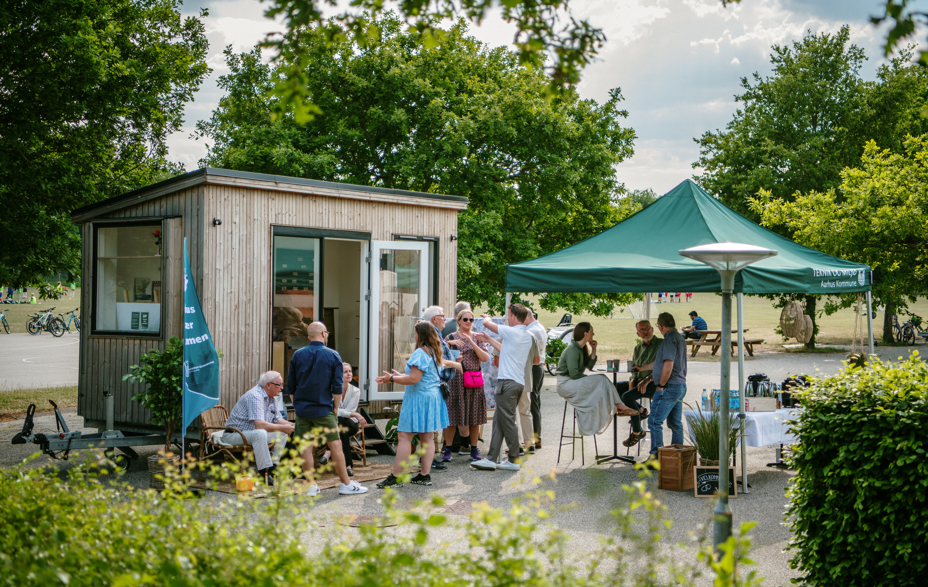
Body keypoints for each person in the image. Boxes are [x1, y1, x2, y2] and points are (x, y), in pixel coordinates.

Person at [287, 321, 369, 496]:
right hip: (324, 409)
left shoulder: (297, 355)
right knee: (336, 445)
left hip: (302, 410)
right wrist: (336, 408)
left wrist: (297, 405)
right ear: (324, 334)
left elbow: (291, 386)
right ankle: (345, 484)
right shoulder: (333, 355)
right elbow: (336, 386)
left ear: (309, 337)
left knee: (306, 447)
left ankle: (311, 486)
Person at [376, 321, 459, 488]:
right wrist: (399, 375)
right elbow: (420, 376)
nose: (413, 336)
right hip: (431, 397)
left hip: (419, 399)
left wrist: (391, 379)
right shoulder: (433, 353)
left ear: (419, 335)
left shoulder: (420, 353)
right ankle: (424, 475)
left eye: (414, 333)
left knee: (405, 437)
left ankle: (396, 477)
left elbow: (414, 379)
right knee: (427, 438)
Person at [470, 303, 534, 472]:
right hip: (516, 382)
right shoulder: (526, 335)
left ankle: (513, 459)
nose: (506, 318)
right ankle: (491, 459)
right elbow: (505, 350)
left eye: (508, 315)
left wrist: (487, 318)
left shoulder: (512, 331)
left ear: (514, 316)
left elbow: (487, 324)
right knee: (499, 421)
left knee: (508, 422)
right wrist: (489, 340)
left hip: (507, 383)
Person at [554, 322, 638, 437]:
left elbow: (589, 366)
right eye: (591, 331)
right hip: (566, 384)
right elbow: (574, 375)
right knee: (601, 379)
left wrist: (593, 350)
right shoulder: (572, 350)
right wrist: (586, 378)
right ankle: (620, 406)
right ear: (585, 334)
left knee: (601, 380)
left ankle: (620, 407)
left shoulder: (581, 348)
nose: (593, 334)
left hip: (573, 382)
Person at [222, 371, 295, 484]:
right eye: (279, 385)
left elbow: (278, 420)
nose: (281, 388)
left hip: (250, 434)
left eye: (282, 385)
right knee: (261, 433)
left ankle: (274, 467)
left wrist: (293, 425)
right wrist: (282, 427)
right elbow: (259, 425)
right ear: (268, 385)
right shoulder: (255, 396)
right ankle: (264, 472)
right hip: (234, 434)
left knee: (283, 432)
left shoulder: (272, 398)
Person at [442, 309, 490, 463]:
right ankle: (448, 449)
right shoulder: (450, 338)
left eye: (471, 319)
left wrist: (472, 343)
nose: (468, 322)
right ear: (459, 321)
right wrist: (455, 358)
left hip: (473, 379)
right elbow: (440, 358)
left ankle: (474, 449)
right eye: (465, 319)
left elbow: (485, 358)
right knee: (451, 416)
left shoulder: (478, 337)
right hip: (455, 380)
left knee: (473, 417)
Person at [644, 312, 687, 459]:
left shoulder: (669, 340)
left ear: (661, 326)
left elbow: (668, 364)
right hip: (679, 385)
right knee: (675, 423)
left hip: (669, 387)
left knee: (655, 420)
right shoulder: (679, 337)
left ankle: (655, 457)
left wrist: (660, 386)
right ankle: (677, 456)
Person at [615, 320, 663, 447]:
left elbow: (663, 367)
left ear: (652, 329)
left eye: (647, 328)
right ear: (638, 334)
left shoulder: (661, 344)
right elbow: (635, 371)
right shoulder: (637, 348)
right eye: (641, 330)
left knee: (627, 396)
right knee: (613, 387)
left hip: (654, 383)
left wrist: (647, 380)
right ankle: (641, 410)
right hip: (639, 382)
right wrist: (632, 383)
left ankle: (637, 432)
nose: (645, 331)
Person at [320, 363, 367, 477]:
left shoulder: (355, 391)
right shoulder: (331, 390)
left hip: (351, 424)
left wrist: (349, 414)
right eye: (345, 371)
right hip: (336, 424)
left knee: (342, 422)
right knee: (342, 429)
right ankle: (347, 466)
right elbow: (334, 411)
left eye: (350, 371)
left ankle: (328, 451)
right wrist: (354, 414)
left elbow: (343, 412)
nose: (349, 374)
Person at [523, 310, 546, 451]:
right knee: (534, 402)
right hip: (538, 367)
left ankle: (535, 438)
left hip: (534, 367)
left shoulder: (533, 331)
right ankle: (536, 438)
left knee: (532, 404)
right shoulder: (538, 327)